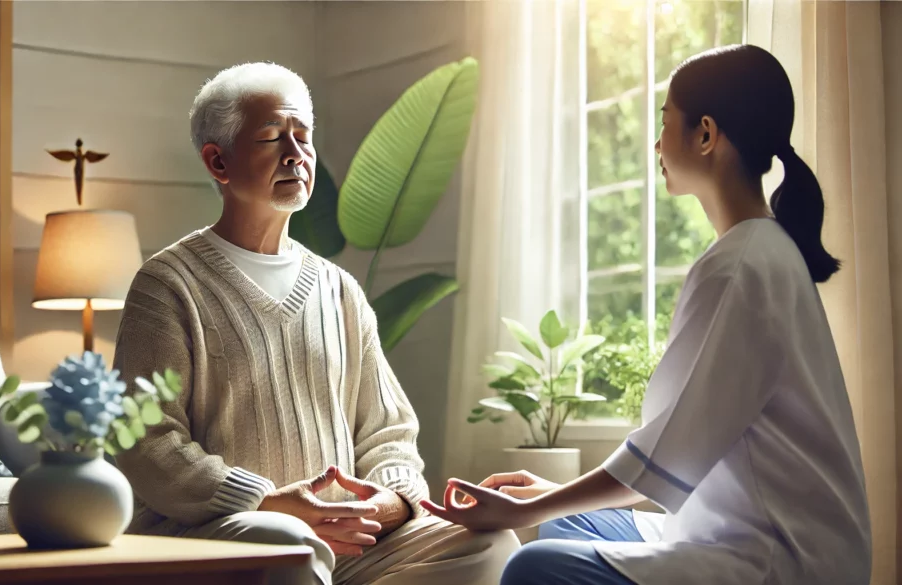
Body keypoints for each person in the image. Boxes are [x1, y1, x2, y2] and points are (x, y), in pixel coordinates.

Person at [420, 44, 872, 585]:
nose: (656, 144)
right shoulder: (759, 251)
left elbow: (670, 454)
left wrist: (524, 510)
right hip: (733, 532)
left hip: (779, 559)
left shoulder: (742, 267)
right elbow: (678, 450)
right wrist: (549, 500)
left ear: (705, 135)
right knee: (563, 528)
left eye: (665, 124)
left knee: (530, 566)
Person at [110, 62, 520, 585]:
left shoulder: (340, 289)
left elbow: (387, 429)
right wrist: (266, 501)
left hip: (349, 537)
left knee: (490, 540)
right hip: (221, 531)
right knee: (292, 545)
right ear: (218, 161)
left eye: (303, 137)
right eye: (271, 137)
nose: (295, 154)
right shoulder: (167, 284)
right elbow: (148, 440)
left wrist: (393, 499)